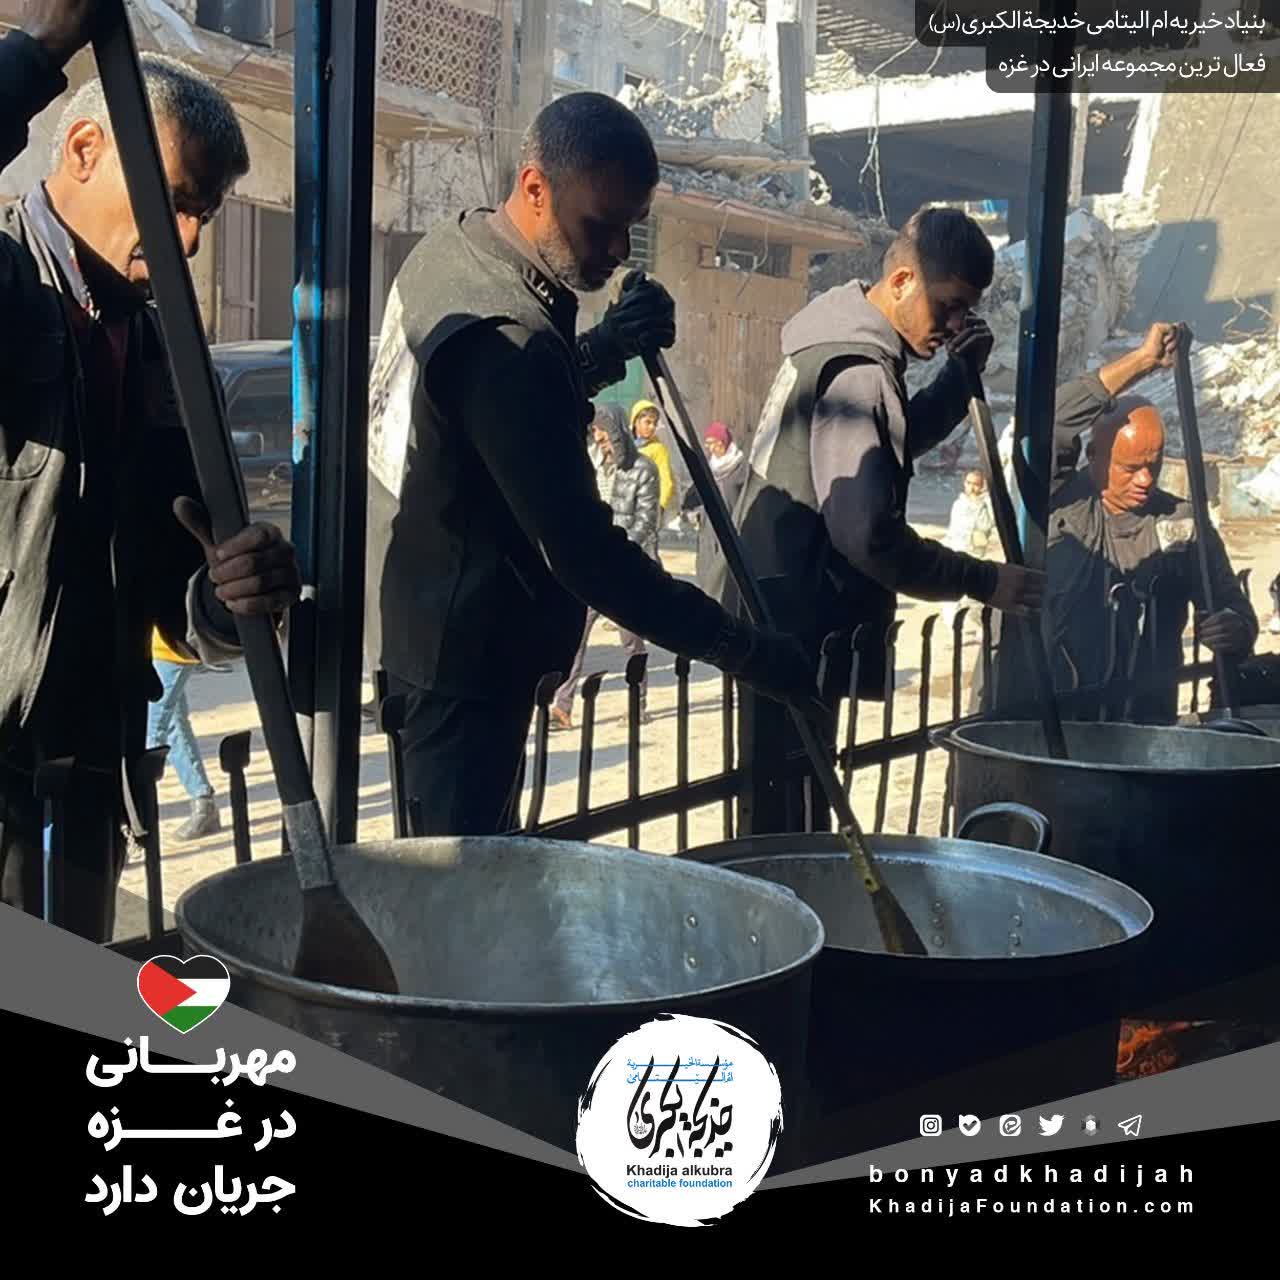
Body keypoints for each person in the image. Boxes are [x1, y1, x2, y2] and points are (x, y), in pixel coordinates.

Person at [364, 90, 815, 838]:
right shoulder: (508, 332)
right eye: (600, 227)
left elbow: (501, 419)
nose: (616, 252)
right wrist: (742, 648)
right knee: (458, 887)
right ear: (534, 187)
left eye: (631, 229)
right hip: (465, 662)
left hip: (423, 618)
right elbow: (586, 555)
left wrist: (607, 346)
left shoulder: (453, 250)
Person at [0, 4, 301, 941]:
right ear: (84, 149)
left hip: (90, 780)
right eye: (175, 200)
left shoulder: (170, 357)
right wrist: (36, 54)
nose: (192, 240)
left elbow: (183, 594)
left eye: (204, 213)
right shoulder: (9, 285)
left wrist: (231, 594)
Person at [712, 206, 1043, 831]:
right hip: (796, 627)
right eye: (949, 304)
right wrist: (980, 579)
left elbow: (885, 448)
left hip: (776, 611)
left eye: (966, 311)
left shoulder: (834, 345)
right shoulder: (859, 372)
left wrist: (958, 378)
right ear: (902, 281)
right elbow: (866, 534)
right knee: (791, 823)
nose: (956, 324)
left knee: (783, 805)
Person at [1040, 321, 1256, 722]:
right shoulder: (1059, 501)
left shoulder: (1181, 525)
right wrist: (1143, 360)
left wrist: (1235, 627)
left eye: (1153, 466)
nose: (1145, 480)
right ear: (1093, 455)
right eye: (1130, 467)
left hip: (1144, 724)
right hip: (1057, 721)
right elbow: (1050, 423)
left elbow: (1233, 607)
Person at [551, 405, 658, 730]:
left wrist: (619, 552)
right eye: (595, 431)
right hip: (594, 567)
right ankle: (563, 705)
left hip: (625, 568)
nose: (597, 437)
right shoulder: (598, 467)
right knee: (576, 634)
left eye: (601, 430)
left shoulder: (644, 469)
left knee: (631, 641)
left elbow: (646, 520)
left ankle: (637, 703)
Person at [147, 629, 221, 841]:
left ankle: (137, 821)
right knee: (172, 725)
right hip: (161, 646)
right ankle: (203, 801)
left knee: (152, 734)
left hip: (171, 647)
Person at [682, 421, 747, 591]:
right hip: (708, 530)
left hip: (733, 527)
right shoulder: (707, 468)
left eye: (713, 443)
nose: (710, 448)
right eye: (707, 444)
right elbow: (692, 498)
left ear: (722, 441)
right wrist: (693, 513)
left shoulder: (741, 467)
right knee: (707, 574)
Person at [942, 470, 995, 630]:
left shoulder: (985, 505)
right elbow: (953, 528)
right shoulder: (959, 504)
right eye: (969, 483)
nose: (972, 487)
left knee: (973, 596)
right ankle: (953, 627)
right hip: (956, 549)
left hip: (974, 553)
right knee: (951, 593)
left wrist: (983, 502)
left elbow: (989, 524)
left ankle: (981, 628)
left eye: (976, 484)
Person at [630, 398, 678, 522]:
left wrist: (659, 507)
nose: (652, 427)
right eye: (648, 422)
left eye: (654, 423)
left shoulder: (657, 449)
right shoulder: (628, 445)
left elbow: (666, 481)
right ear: (635, 422)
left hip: (646, 508)